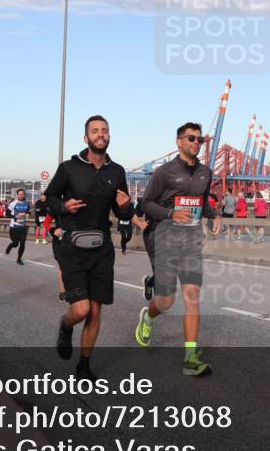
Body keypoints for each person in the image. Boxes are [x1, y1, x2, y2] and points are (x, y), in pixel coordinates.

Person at [47, 115, 133, 381]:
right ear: (86, 138)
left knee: (95, 311)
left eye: (105, 130)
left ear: (109, 136)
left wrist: (126, 206)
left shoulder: (116, 171)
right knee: (81, 309)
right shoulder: (69, 168)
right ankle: (65, 324)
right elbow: (49, 197)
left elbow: (123, 211)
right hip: (72, 246)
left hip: (101, 248)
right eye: (95, 131)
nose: (100, 134)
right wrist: (63, 206)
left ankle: (83, 366)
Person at [135, 122, 221, 377]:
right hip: (163, 239)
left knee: (193, 297)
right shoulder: (165, 172)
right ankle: (148, 317)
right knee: (167, 300)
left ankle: (190, 358)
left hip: (190, 242)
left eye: (200, 140)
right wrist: (171, 213)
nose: (196, 143)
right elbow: (146, 203)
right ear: (179, 141)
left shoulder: (206, 172)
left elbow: (203, 202)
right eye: (192, 138)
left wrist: (214, 215)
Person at [6, 189, 31, 264]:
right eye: (19, 194)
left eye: (22, 194)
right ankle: (11, 245)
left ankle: (19, 259)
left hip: (23, 227)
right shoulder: (13, 203)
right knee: (15, 243)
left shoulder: (27, 204)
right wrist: (15, 217)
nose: (21, 195)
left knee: (22, 243)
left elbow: (28, 212)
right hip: (14, 227)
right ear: (17, 195)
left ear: (24, 195)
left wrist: (28, 214)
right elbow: (7, 214)